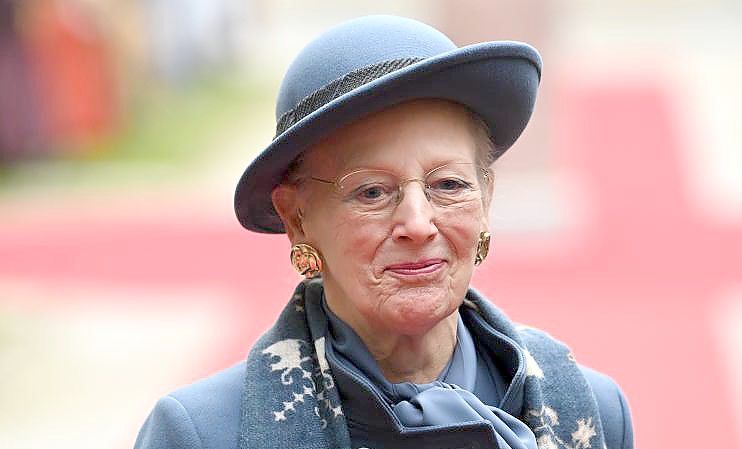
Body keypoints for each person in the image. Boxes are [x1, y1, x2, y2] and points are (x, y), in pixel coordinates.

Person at [134, 15, 633, 449]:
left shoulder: (591, 412)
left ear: (486, 198)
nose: (417, 224)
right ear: (296, 218)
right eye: (372, 192)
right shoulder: (206, 435)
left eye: (449, 184)